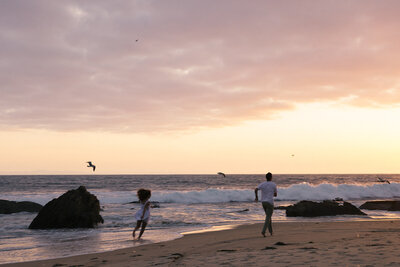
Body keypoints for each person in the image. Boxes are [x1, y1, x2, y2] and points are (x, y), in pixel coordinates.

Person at [255, 172, 277, 237]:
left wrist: (256, 197)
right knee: (268, 217)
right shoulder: (273, 184)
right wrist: (271, 193)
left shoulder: (262, 184)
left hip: (263, 202)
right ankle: (263, 231)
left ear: (266, 177)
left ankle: (271, 232)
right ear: (271, 177)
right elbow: (275, 195)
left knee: (268, 216)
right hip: (270, 202)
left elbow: (256, 189)